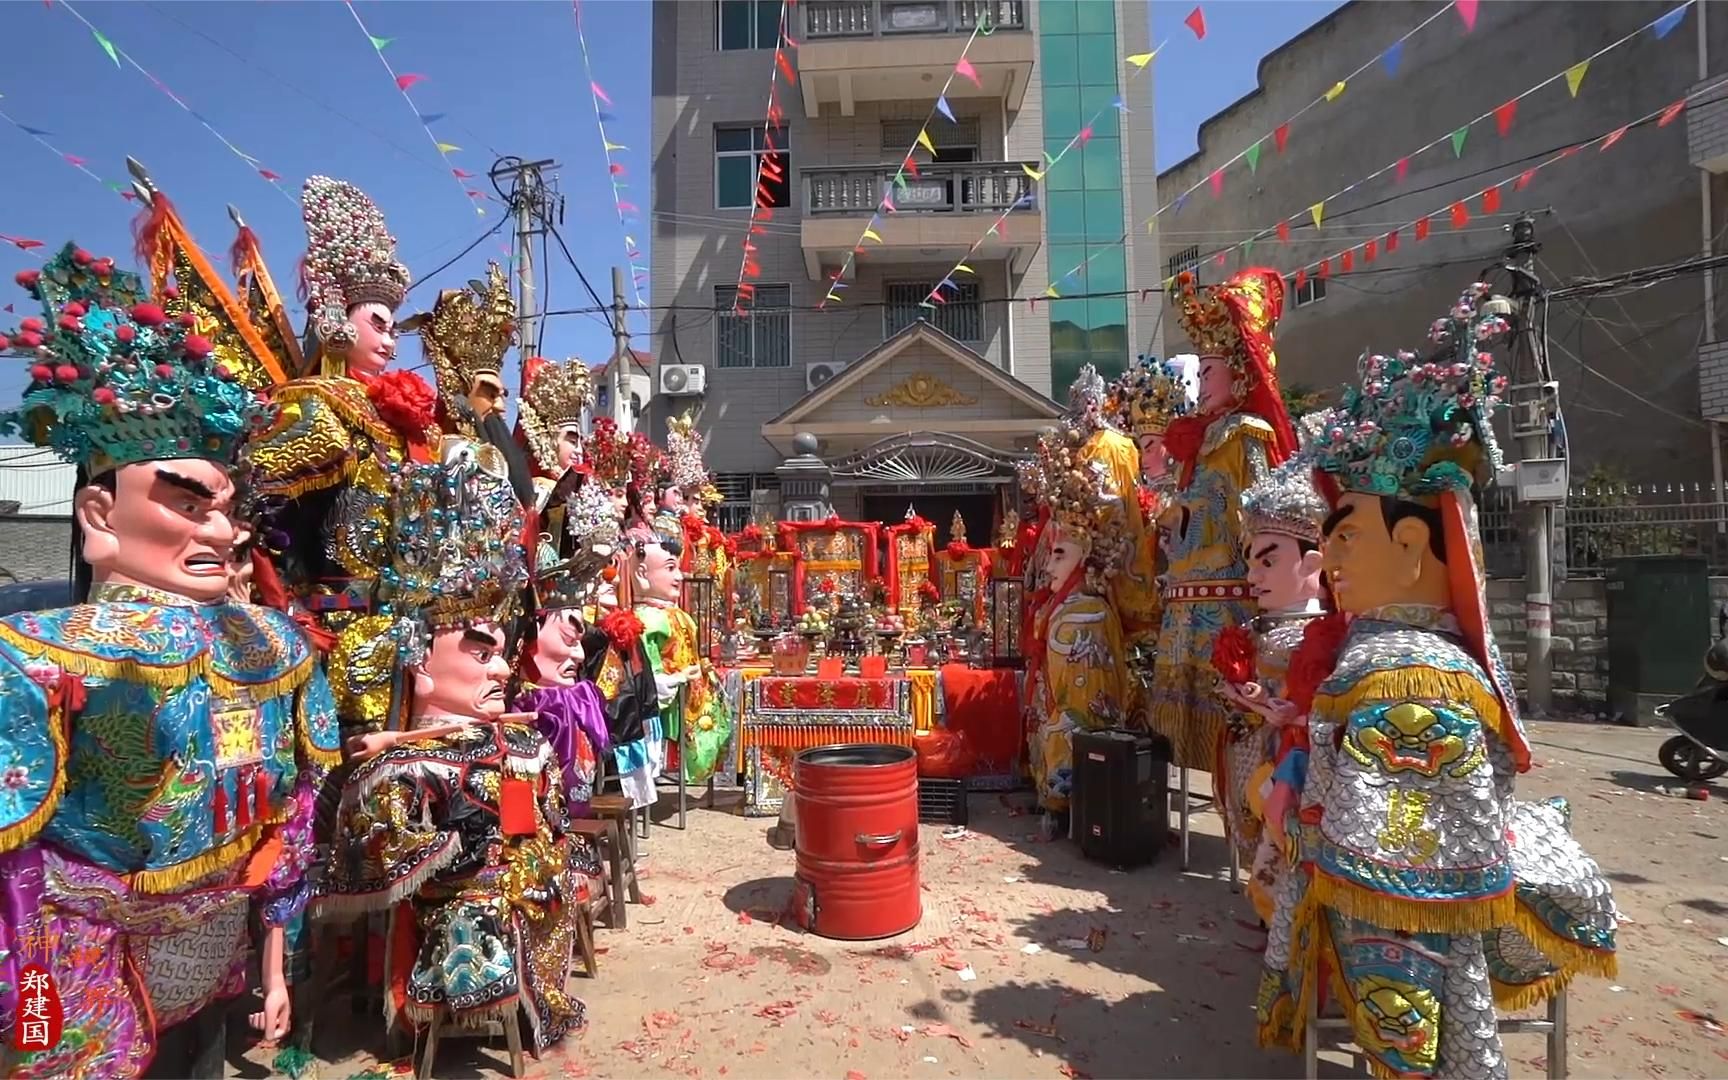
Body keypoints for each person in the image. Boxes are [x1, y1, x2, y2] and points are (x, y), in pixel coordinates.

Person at [0, 245, 339, 1079]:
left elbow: (292, 817)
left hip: (219, 941)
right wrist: (24, 1005)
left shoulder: (280, 648)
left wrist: (271, 963)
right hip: (75, 960)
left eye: (225, 510)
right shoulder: (34, 655)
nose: (221, 534)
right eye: (185, 504)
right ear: (99, 514)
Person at [1276, 284, 1616, 1075]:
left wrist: (1305, 816)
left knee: (1408, 1024)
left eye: (1347, 535)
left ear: (1413, 547)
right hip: (1440, 884)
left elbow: (1352, 807)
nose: (1330, 561)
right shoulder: (1432, 665)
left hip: (1387, 890)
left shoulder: (1388, 669)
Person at [317, 440, 593, 1054]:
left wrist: (530, 854)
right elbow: (376, 852)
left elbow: (536, 817)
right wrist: (462, 850)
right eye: (480, 652)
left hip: (528, 883)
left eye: (501, 652)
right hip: (456, 904)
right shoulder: (399, 761)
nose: (500, 670)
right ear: (418, 662)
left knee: (536, 891)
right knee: (482, 910)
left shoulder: (518, 735)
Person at [248, 176, 434, 738]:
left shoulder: (393, 421)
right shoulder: (312, 405)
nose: (390, 340)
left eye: (394, 328)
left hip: (399, 623)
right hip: (333, 622)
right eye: (377, 323)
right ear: (337, 317)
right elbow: (262, 512)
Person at [1148, 269, 1299, 774]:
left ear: (1237, 373)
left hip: (1227, 594)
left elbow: (1258, 510)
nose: (1202, 384)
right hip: (1187, 593)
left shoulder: (1244, 435)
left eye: (1209, 372)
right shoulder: (1202, 442)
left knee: (1229, 715)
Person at [1211, 450, 1328, 924]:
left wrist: (1282, 713)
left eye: (1269, 561)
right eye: (1251, 562)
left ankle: (1289, 935)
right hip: (1258, 748)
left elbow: (1322, 710)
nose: (1252, 575)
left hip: (1295, 765)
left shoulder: (1324, 635)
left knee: (1280, 851)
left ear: (1313, 564)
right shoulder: (1265, 628)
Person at [1017, 426, 1130, 824]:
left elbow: (1085, 707)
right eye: (1050, 553)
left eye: (1059, 554)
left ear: (1085, 558)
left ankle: (1069, 801)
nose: (1048, 565)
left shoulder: (1087, 616)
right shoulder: (1062, 609)